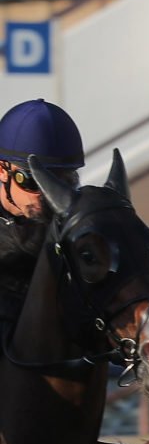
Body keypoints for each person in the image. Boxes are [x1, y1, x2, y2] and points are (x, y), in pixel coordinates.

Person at [0, 99, 84, 320]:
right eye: (33, 181)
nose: (46, 195)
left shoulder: (76, 233)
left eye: (62, 181)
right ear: (2, 170)